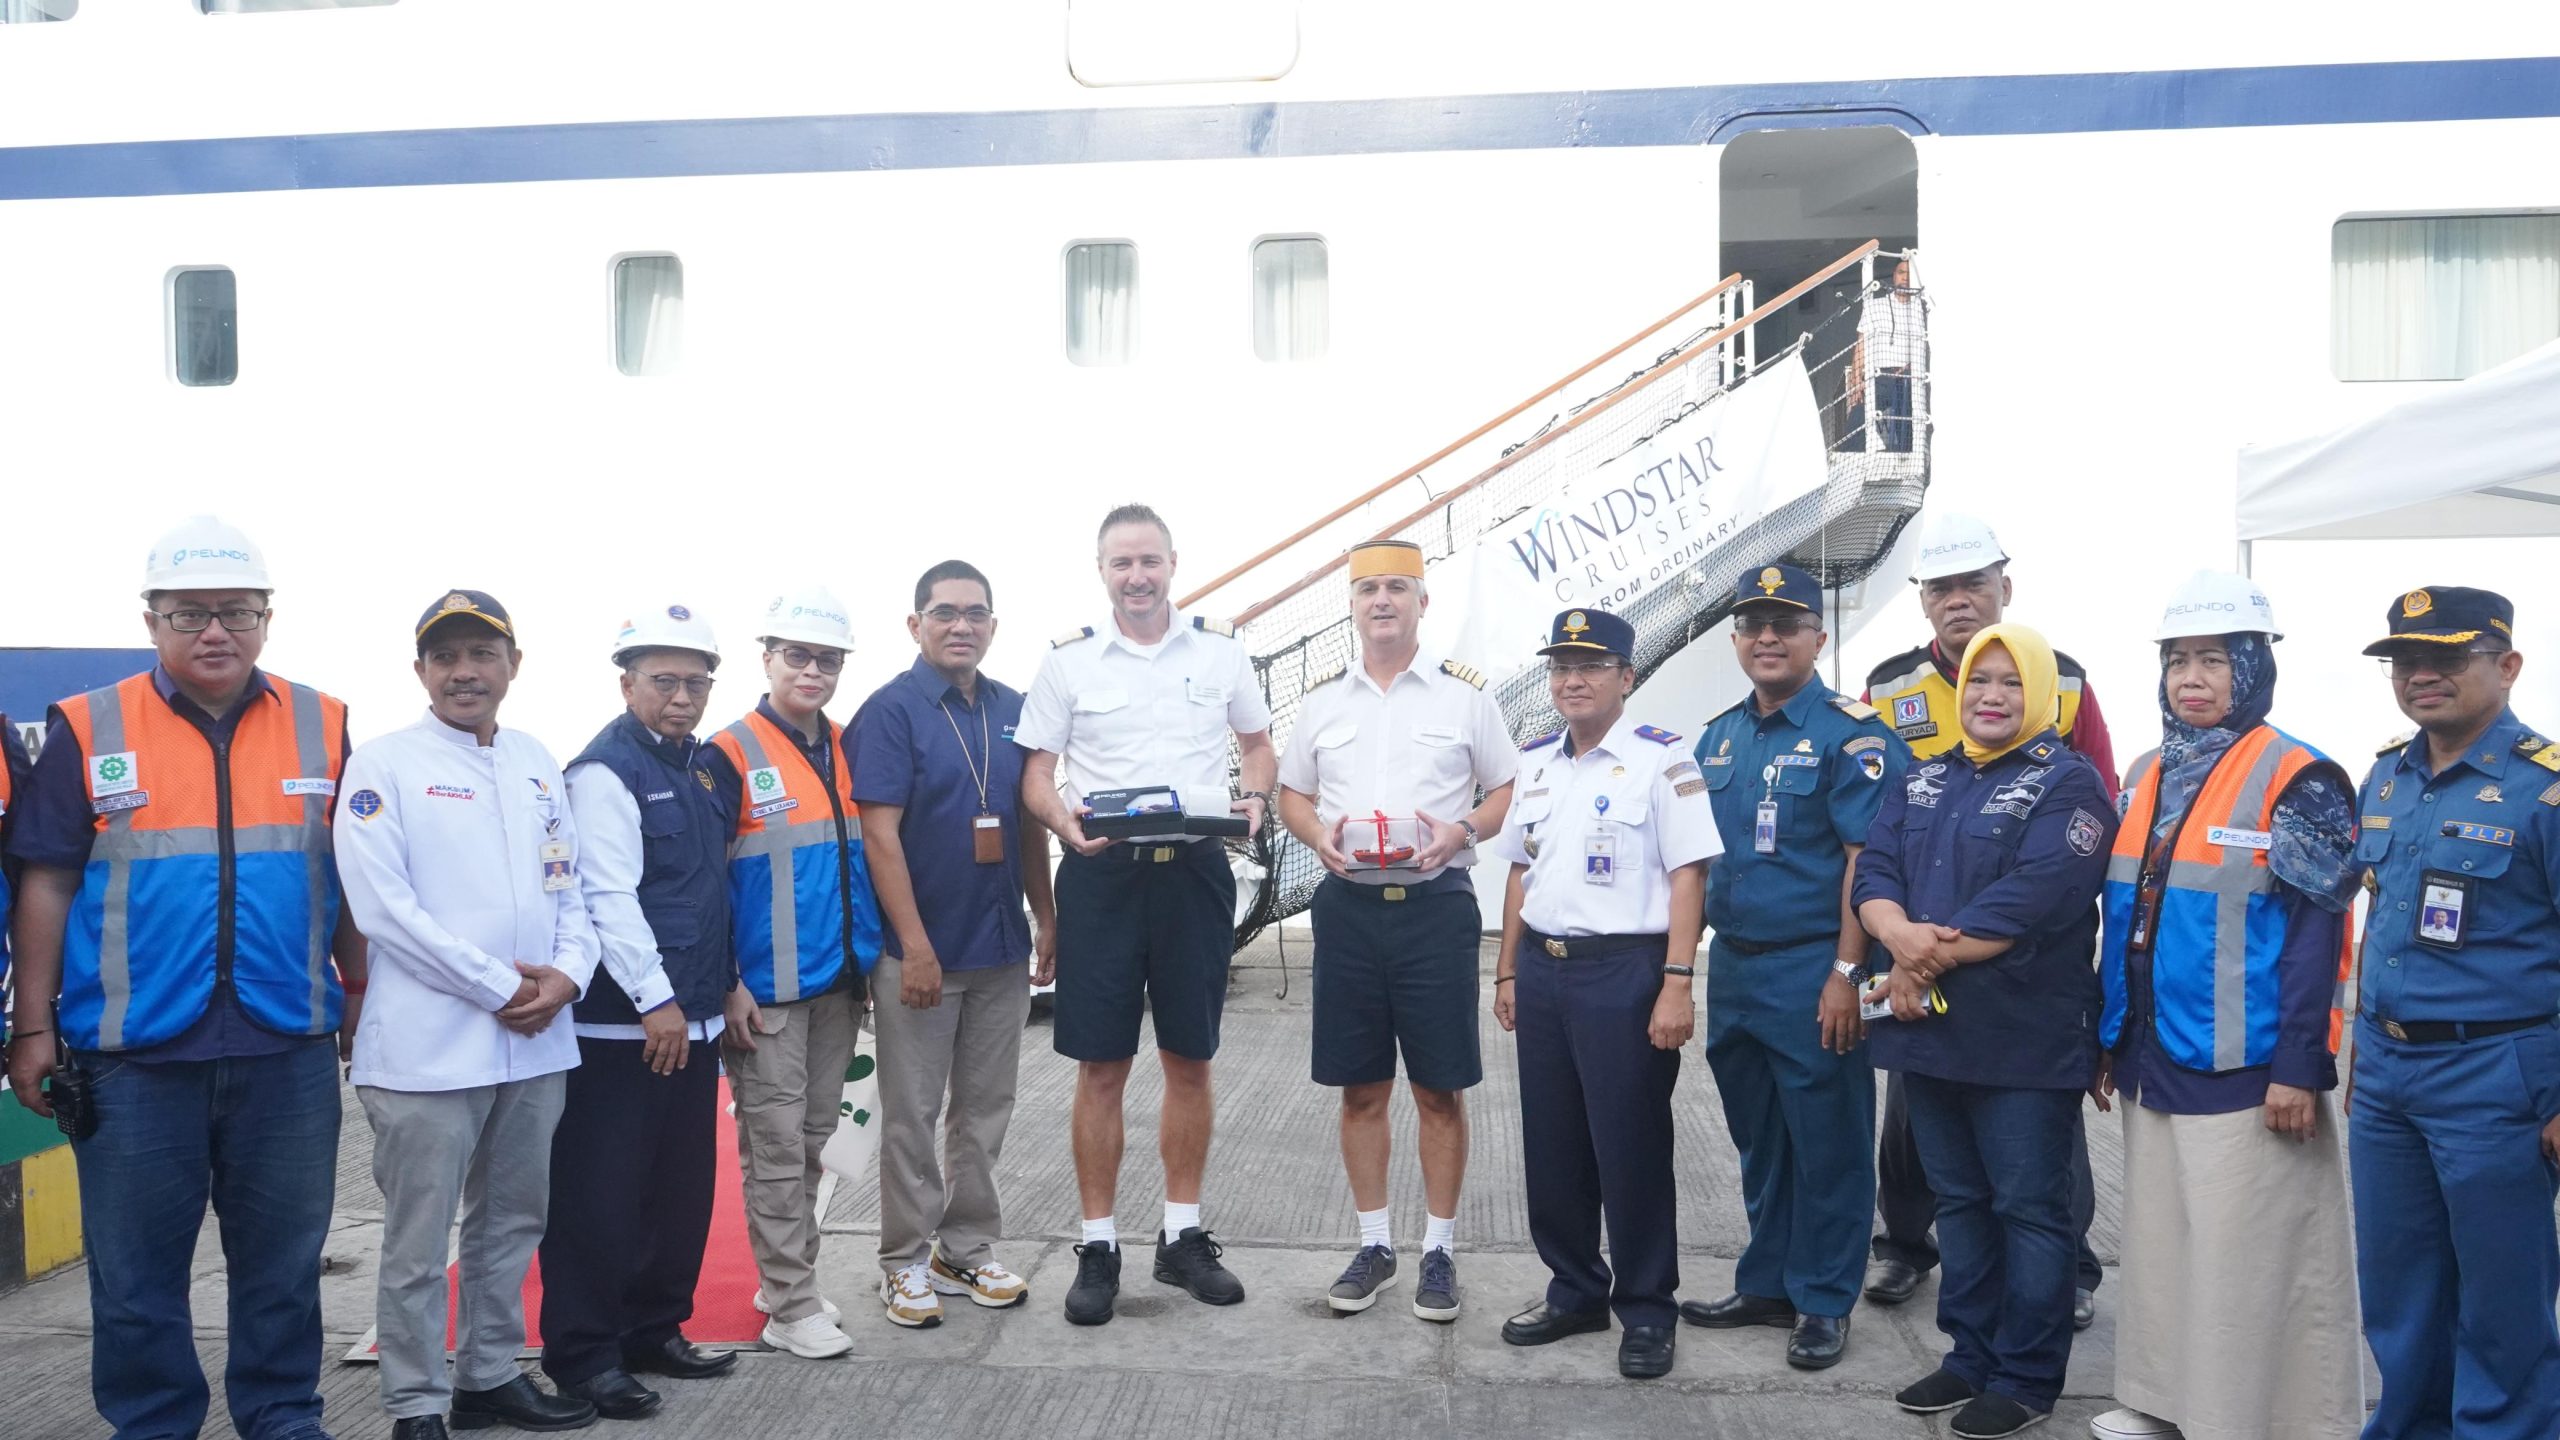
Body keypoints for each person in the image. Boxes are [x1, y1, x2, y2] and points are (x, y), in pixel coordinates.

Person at [4, 516, 362, 1440]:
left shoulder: (324, 722)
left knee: (283, 1266)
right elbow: (45, 881)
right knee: (133, 1278)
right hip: (132, 1054)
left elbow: (354, 881)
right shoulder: (89, 724)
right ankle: (155, 1424)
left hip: (285, 1045)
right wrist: (32, 1029)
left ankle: (283, 1416)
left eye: (237, 611)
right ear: (153, 618)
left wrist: (359, 1000)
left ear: (267, 618)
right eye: (190, 612)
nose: (216, 631)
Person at [2086, 573, 2364, 1440]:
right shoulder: (2146, 770)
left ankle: (2247, 1419)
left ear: (2253, 667)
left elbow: (2320, 935)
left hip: (2247, 1064)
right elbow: (2128, 914)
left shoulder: (2301, 775)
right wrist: (2108, 1036)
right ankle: (2164, 1401)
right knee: (2164, 1247)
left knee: (2247, 1256)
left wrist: (2299, 1067)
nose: (2192, 678)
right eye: (2178, 661)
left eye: (2214, 660)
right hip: (2152, 1051)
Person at [336, 589, 601, 1439]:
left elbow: (570, 885)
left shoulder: (533, 757)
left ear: (513, 666)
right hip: (429, 1049)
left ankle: (487, 1376)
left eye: (482, 655)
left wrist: (566, 975)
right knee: (419, 1241)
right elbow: (385, 909)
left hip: (536, 1043)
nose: (464, 672)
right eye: (445, 657)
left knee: (512, 1223)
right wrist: (500, 986)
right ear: (420, 671)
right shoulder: (385, 765)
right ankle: (416, 1400)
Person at [1854, 623, 2117, 1440]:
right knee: (1961, 1202)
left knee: (2029, 1209)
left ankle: (2027, 1377)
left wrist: (1916, 957)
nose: (1991, 697)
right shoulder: (1927, 777)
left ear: (2038, 693)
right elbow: (1875, 869)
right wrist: (1897, 937)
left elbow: (2033, 898)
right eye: (1978, 681)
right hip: (1927, 1033)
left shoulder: (2069, 786)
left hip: (2022, 1039)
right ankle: (1969, 1355)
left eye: (2009, 682)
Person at [1016, 503, 1277, 1326]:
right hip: (1103, 877)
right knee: (1101, 1067)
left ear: (1173, 564)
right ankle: (1098, 1245)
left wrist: (1258, 796)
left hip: (1193, 874)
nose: (1138, 577)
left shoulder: (1222, 652)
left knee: (1190, 1060)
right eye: (1122, 563)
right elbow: (1036, 775)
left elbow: (1258, 745)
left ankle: (1182, 1236)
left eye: (1150, 562)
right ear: (1102, 571)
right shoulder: (1068, 664)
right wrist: (1066, 826)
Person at [1274, 539, 1517, 1322]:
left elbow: (1505, 784)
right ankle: (1375, 1244)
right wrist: (1316, 838)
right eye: (1369, 589)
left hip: (1436, 908)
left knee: (1440, 1089)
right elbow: (1292, 794)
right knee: (1360, 1087)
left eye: (1397, 589)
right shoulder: (1322, 703)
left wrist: (1464, 833)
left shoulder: (1463, 699)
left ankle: (1439, 1251)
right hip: (1348, 913)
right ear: (1352, 604)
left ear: (1422, 602)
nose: (1382, 601)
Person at [1679, 562, 1905, 1370]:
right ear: (1737, 639)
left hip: (1816, 966)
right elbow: (1694, 863)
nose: (1768, 637)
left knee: (1829, 1139)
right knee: (1761, 1138)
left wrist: (1847, 973)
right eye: (1753, 625)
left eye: (1786, 623)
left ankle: (1823, 1299)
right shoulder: (1719, 736)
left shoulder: (1856, 736)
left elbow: (1865, 864)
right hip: (1736, 968)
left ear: (1820, 635)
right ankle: (1769, 1280)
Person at [2350, 584, 2560, 1440]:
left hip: (2496, 1076)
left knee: (2503, 1300)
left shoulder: (2542, 791)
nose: (2421, 675)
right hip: (2387, 1076)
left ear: (2506, 667)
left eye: (2447, 657)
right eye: (2406, 660)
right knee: (2400, 1290)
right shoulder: (2387, 775)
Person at [536, 605, 756, 1419]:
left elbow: (707, 889)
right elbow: (606, 898)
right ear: (626, 681)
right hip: (621, 1026)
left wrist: (726, 982)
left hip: (691, 1018)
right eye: (664, 681)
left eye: (697, 682)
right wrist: (655, 998)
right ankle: (585, 1354)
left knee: (677, 1191)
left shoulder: (702, 768)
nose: (683, 696)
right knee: (600, 1197)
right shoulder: (605, 772)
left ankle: (653, 1328)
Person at [1488, 607, 1719, 1381]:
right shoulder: (1535, 762)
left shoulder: (1662, 759)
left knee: (1630, 1145)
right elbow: (1523, 868)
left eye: (1589, 666)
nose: (1572, 679)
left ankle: (1648, 1308)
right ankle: (1575, 1289)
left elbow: (1689, 872)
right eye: (1560, 667)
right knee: (1552, 1144)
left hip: (1627, 971)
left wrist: (1677, 982)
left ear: (1626, 677)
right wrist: (1509, 969)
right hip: (1547, 972)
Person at [852, 561, 1057, 1329]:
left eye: (976, 613)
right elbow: (879, 837)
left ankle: (966, 1248)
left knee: (984, 1109)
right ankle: (902, 1261)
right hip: (922, 955)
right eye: (944, 612)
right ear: (916, 625)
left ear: (993, 626)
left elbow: (1030, 821)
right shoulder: (891, 712)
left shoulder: (1015, 709)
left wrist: (1048, 914)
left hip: (999, 946)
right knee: (911, 1112)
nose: (961, 625)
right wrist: (915, 944)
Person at [706, 584, 883, 1360]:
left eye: (828, 659)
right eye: (798, 656)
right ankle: (789, 1302)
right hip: (765, 997)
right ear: (768, 658)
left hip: (837, 987)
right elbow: (701, 884)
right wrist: (726, 981)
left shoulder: (849, 746)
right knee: (775, 1150)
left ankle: (788, 1281)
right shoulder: (729, 754)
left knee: (814, 1143)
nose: (813, 671)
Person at [1852, 254, 1927, 453]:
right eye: (1901, 273)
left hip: (1907, 376)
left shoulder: (1922, 310)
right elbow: (1861, 345)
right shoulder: (1875, 306)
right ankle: (1853, 457)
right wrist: (1856, 381)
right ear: (1893, 276)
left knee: (1908, 416)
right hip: (1879, 375)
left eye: (1910, 275)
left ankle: (1905, 455)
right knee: (1858, 415)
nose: (1905, 278)